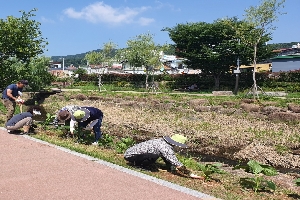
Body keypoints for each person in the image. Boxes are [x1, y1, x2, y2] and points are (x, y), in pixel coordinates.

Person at [124, 134, 203, 179]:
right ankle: (139, 165)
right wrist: (189, 174)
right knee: (154, 156)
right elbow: (175, 162)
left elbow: (167, 157)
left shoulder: (162, 142)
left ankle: (140, 163)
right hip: (131, 156)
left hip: (132, 153)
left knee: (159, 155)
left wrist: (170, 166)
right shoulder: (165, 147)